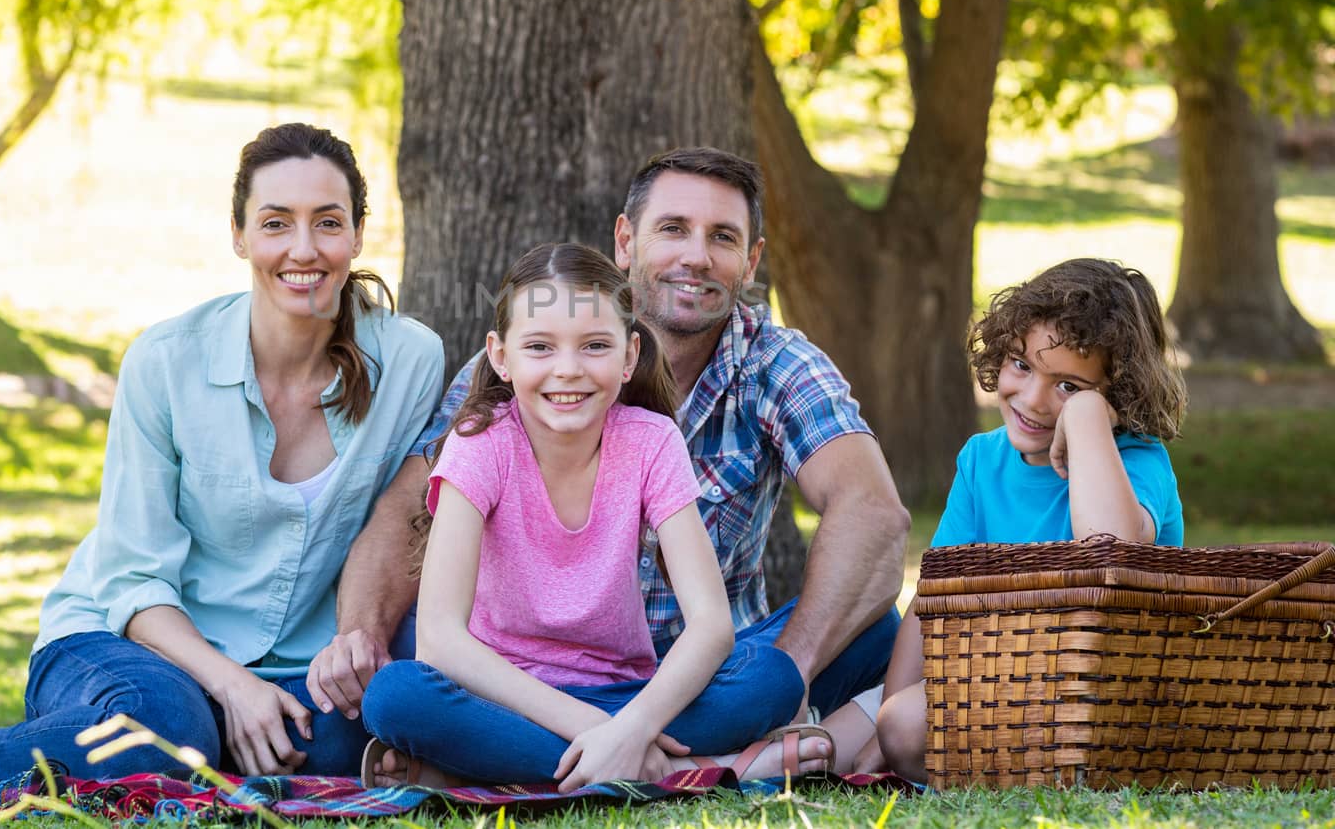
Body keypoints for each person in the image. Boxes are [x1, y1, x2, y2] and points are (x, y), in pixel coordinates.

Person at [0, 123, 445, 782]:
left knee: (358, 728)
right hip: (124, 639)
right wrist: (233, 686)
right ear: (238, 234)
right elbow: (132, 582)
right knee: (163, 731)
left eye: (328, 222)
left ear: (357, 233)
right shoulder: (167, 362)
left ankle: (208, 745)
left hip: (293, 662)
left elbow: (401, 521)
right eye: (276, 223)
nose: (304, 248)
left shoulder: (411, 360)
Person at [323, 147, 910, 783]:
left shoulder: (766, 370)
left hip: (697, 679)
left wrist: (791, 672)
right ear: (625, 240)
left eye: (722, 237)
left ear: (751, 260)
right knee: (395, 694)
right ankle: (692, 768)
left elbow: (873, 515)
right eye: (673, 229)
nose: (696, 256)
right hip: (517, 679)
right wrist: (360, 633)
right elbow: (411, 513)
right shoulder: (512, 391)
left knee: (857, 639)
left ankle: (502, 763)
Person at [360, 243, 809, 789]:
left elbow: (712, 627)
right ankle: (681, 771)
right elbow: (438, 639)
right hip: (505, 696)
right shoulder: (480, 444)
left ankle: (499, 769)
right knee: (396, 697)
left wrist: (634, 724)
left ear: (628, 356)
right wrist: (601, 731)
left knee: (771, 677)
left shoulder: (651, 442)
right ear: (501, 357)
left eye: (595, 346)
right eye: (540, 347)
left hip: (626, 691)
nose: (567, 371)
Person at [870, 258, 1188, 781]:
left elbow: (1107, 548)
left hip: (1111, 694)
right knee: (875, 721)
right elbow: (933, 597)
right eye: (1021, 364)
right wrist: (887, 714)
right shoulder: (982, 459)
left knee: (907, 725)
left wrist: (1086, 418)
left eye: (1068, 386)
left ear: (1120, 393)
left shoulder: (1139, 461)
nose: (1034, 400)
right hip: (1001, 679)